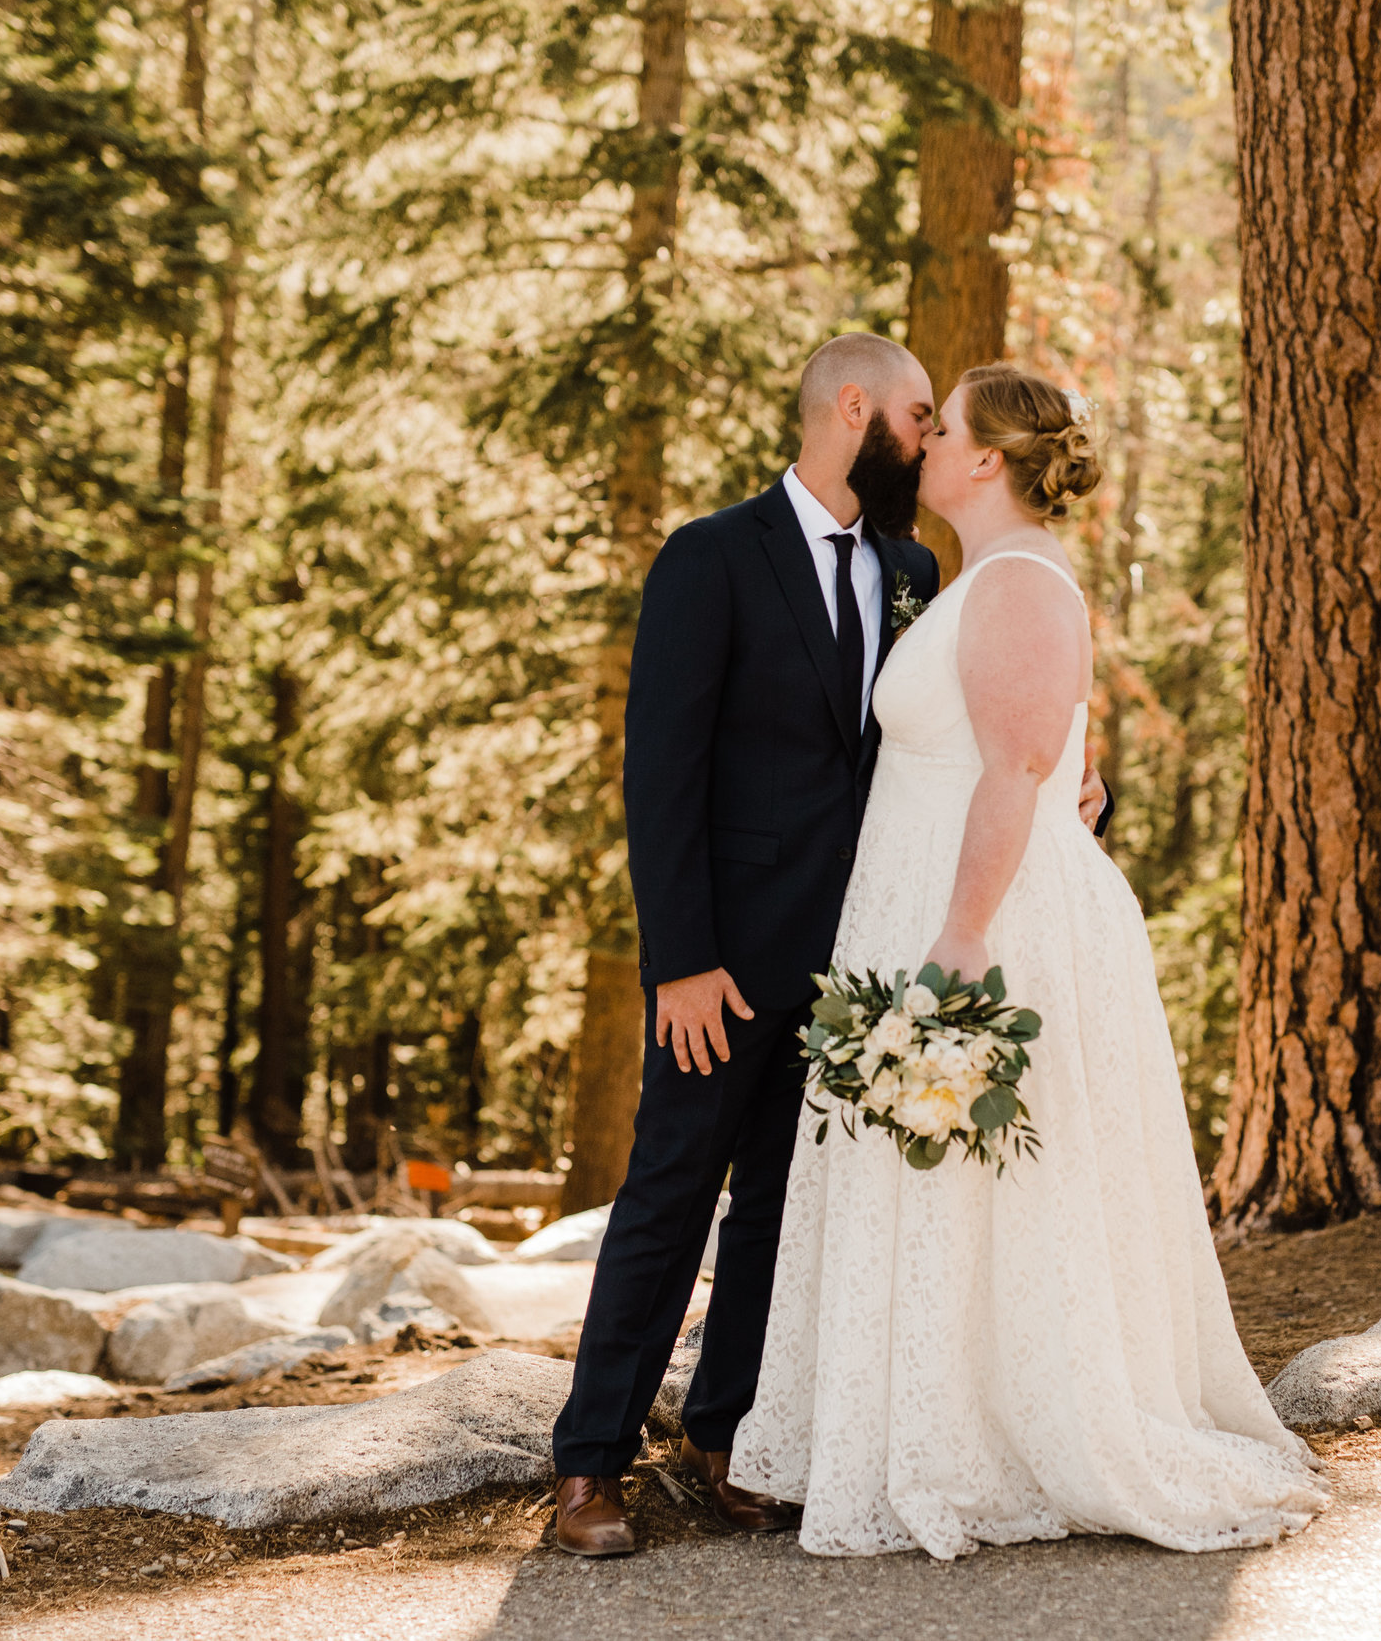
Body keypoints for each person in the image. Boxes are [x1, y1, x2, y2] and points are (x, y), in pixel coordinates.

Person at [726, 362, 1330, 1559]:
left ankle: (988, 1442)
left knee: (977, 1178)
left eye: (939, 428)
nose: (925, 444)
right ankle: (935, 1426)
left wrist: (958, 938)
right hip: (942, 901)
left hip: (972, 921)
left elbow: (1010, 772)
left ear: (985, 461)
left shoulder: (1013, 579)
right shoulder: (984, 580)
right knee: (947, 1188)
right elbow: (1042, 759)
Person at [548, 336, 1108, 1556]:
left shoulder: (915, 568)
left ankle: (730, 1439)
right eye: (915, 416)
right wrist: (680, 958)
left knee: (784, 1207)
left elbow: (983, 717)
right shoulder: (710, 558)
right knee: (670, 1192)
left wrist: (1073, 767)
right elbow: (662, 774)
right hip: (727, 959)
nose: (924, 440)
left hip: (861, 955)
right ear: (849, 409)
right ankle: (589, 1464)